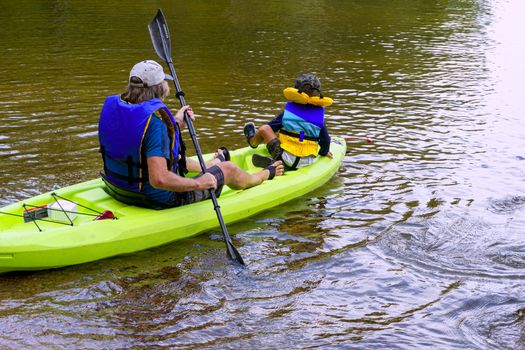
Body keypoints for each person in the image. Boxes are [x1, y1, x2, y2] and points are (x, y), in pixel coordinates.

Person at [98, 59, 283, 208]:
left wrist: (177, 124)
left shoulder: (116, 109)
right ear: (159, 88)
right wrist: (200, 183)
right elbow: (159, 179)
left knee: (173, 155)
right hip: (153, 198)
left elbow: (139, 142)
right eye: (164, 82)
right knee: (229, 169)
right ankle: (264, 175)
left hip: (118, 188)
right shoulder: (155, 126)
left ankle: (211, 163)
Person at [243, 73, 333, 170]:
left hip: (286, 160)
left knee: (265, 129)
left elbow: (270, 128)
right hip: (308, 161)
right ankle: (278, 160)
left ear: (296, 90)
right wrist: (324, 152)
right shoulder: (319, 116)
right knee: (302, 137)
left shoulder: (288, 113)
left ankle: (253, 142)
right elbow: (326, 140)